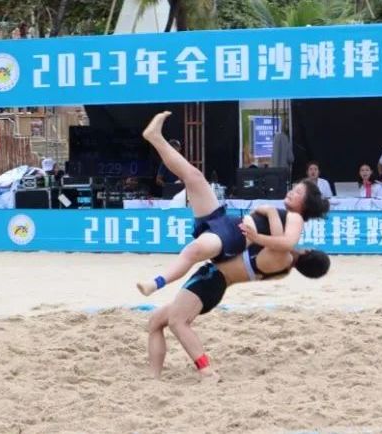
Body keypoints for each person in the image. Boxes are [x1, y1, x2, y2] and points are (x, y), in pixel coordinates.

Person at [136, 111, 329, 295]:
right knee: (194, 176)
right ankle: (155, 138)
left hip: (233, 236)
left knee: (193, 251)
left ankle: (156, 283)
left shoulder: (296, 217)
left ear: (305, 203)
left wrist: (268, 218)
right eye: (295, 188)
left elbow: (285, 244)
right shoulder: (286, 218)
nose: (292, 192)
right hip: (225, 222)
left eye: (298, 192)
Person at [146, 215, 330, 382]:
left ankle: (206, 371)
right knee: (156, 321)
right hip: (214, 283)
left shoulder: (283, 258)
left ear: (307, 251)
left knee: (178, 322)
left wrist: (270, 212)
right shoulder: (283, 269)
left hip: (211, 280)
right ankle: (154, 376)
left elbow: (278, 237)